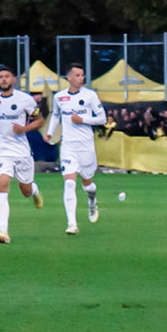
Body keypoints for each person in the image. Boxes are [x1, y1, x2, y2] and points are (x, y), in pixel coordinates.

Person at [0, 67, 43, 244]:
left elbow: (40, 120)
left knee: (25, 191)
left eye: (7, 76)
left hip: (22, 152)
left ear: (13, 79)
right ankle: (3, 232)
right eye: (0, 77)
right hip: (2, 152)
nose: (3, 79)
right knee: (1, 184)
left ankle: (34, 191)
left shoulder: (25, 100)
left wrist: (24, 129)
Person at [45, 62, 106, 234]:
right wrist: (50, 133)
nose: (81, 78)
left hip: (86, 146)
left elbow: (102, 119)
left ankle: (92, 199)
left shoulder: (90, 96)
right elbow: (56, 115)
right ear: (69, 77)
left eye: (82, 75)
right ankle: (72, 224)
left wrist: (83, 120)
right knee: (69, 183)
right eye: (78, 75)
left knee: (87, 184)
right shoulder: (59, 97)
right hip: (68, 146)